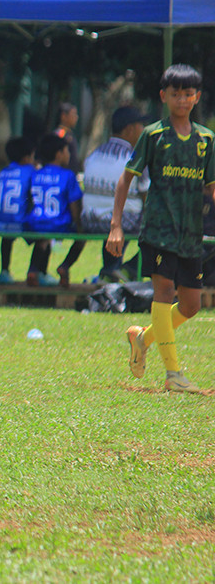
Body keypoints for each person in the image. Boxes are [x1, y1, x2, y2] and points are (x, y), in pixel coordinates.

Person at [108, 64, 215, 394]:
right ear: (163, 97)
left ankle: (143, 337)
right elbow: (126, 179)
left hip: (190, 234)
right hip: (157, 230)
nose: (182, 100)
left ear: (196, 98)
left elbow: (212, 187)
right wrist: (116, 226)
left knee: (191, 306)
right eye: (175, 94)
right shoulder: (153, 135)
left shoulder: (206, 140)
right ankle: (173, 375)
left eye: (188, 94)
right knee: (163, 292)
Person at [81, 106, 150, 282]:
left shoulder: (93, 155)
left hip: (90, 220)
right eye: (141, 126)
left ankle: (110, 270)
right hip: (119, 223)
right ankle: (127, 269)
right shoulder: (134, 158)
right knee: (159, 227)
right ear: (130, 129)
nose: (143, 131)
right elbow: (147, 197)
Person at [26, 134, 84, 287]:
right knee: (82, 239)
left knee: (42, 239)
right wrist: (78, 224)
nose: (69, 154)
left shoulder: (36, 174)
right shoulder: (68, 175)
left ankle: (33, 270)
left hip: (36, 222)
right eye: (66, 151)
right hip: (58, 223)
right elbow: (74, 203)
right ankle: (64, 266)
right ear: (59, 154)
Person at [0, 137, 36, 284]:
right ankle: (36, 271)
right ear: (26, 157)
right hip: (19, 222)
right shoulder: (30, 171)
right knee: (43, 238)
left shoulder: (4, 171)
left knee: (6, 238)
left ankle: (4, 271)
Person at [54, 102, 81, 172]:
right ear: (63, 116)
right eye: (73, 114)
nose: (76, 117)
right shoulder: (60, 134)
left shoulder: (70, 134)